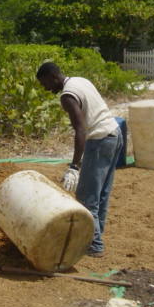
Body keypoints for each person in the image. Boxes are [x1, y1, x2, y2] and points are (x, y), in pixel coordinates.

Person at [36, 62, 122, 257]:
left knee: (86, 197)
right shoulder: (79, 80)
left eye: (45, 83)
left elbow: (81, 129)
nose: (45, 88)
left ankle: (94, 245)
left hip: (99, 140)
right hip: (114, 134)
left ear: (53, 77)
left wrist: (74, 166)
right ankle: (95, 238)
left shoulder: (67, 96)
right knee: (101, 194)